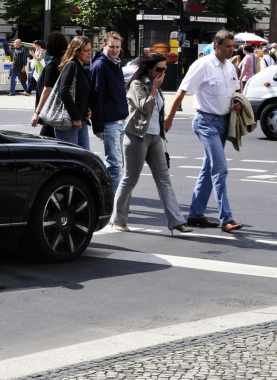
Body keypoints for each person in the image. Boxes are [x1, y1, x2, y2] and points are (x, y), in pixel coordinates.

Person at [164, 29, 244, 233]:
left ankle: (196, 214)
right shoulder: (202, 65)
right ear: (216, 46)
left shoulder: (229, 67)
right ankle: (226, 218)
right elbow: (182, 90)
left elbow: (234, 92)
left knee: (209, 169)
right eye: (227, 46)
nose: (231, 50)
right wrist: (170, 117)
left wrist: (236, 104)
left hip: (223, 122)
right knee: (220, 168)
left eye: (232, 46)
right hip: (206, 123)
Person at [110, 52, 192, 234]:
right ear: (149, 69)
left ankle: (176, 221)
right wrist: (154, 88)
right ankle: (118, 219)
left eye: (165, 69)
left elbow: (159, 109)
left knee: (164, 180)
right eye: (159, 69)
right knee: (130, 179)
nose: (163, 73)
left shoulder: (156, 83)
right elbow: (145, 107)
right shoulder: (136, 85)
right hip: (137, 136)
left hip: (155, 138)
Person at [91, 31, 129, 189]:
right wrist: (98, 125)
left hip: (120, 120)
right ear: (104, 45)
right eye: (111, 47)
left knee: (119, 163)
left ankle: (112, 199)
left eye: (118, 47)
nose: (115, 50)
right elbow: (96, 97)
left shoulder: (116, 63)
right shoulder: (100, 66)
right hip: (110, 122)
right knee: (114, 164)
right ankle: (112, 202)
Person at [52, 36, 94, 150]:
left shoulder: (81, 67)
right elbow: (64, 91)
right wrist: (75, 117)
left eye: (91, 50)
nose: (90, 53)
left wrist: (87, 109)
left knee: (84, 157)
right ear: (76, 51)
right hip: (69, 122)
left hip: (80, 120)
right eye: (86, 50)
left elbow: (83, 94)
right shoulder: (71, 65)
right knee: (71, 158)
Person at [30, 31, 69, 138]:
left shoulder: (53, 64)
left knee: (45, 140)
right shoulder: (66, 61)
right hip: (62, 109)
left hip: (51, 110)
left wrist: (37, 112)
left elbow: (47, 89)